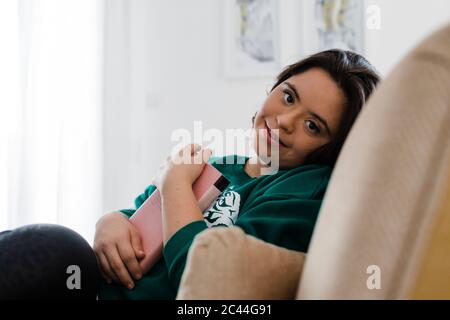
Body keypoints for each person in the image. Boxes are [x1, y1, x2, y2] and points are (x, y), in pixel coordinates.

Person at [94, 49, 380, 299]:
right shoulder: (218, 164)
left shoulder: (308, 188)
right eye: (289, 96)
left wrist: (176, 183)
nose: (283, 120)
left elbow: (204, 283)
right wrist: (110, 222)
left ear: (334, 150)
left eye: (312, 126)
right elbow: (136, 216)